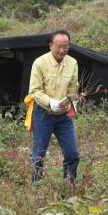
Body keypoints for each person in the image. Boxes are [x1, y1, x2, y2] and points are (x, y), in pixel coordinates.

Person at [27, 30, 80, 185]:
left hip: (64, 116)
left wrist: (71, 102)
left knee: (72, 153)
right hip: (43, 114)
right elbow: (34, 91)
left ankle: (69, 184)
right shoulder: (40, 63)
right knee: (39, 154)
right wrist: (50, 102)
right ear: (51, 45)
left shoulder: (72, 63)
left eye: (66, 46)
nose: (62, 50)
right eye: (59, 46)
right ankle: (37, 187)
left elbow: (72, 89)